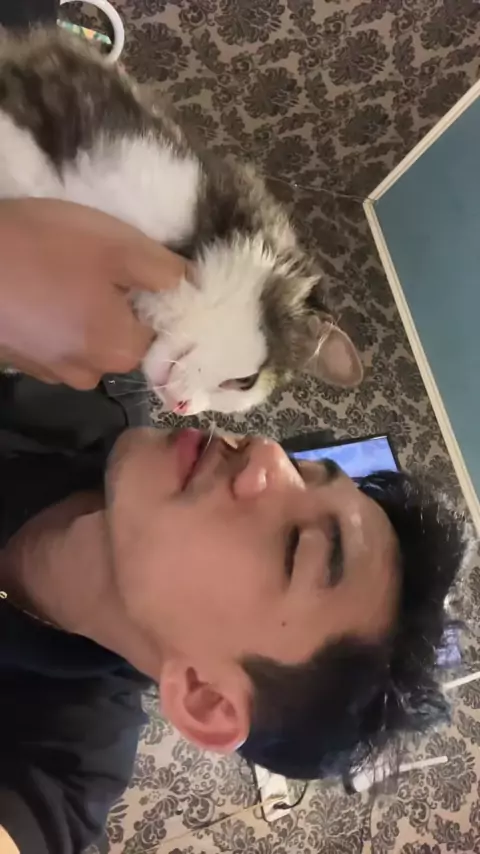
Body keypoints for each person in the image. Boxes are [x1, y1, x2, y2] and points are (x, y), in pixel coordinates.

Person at [0, 196, 471, 853]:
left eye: (295, 548)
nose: (267, 454)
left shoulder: (57, 772)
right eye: (304, 471)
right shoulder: (84, 369)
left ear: (205, 698)